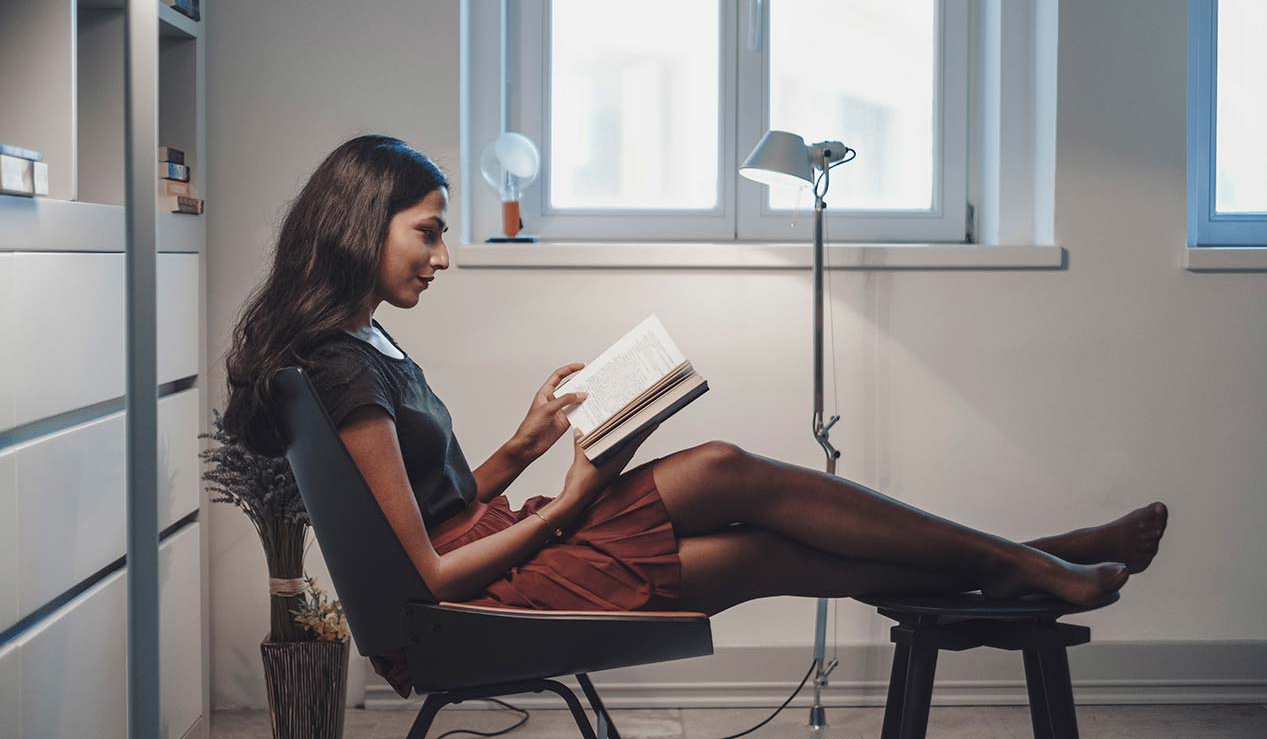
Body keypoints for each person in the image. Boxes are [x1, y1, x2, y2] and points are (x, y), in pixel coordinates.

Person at [221, 135, 1168, 698]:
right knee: (724, 474)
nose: (443, 253)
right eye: (427, 230)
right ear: (360, 225)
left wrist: (526, 442)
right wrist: (568, 500)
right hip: (466, 605)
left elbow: (430, 509)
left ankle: (1017, 561)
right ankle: (1020, 559)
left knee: (755, 540)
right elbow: (423, 567)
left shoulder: (358, 346)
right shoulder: (341, 369)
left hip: (487, 557)